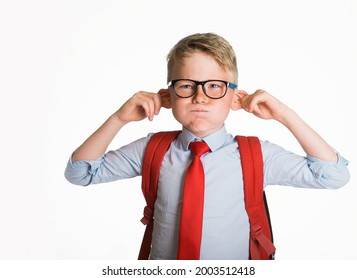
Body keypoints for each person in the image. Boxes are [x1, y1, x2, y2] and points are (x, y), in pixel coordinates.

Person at [64, 33, 350, 260]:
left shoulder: (257, 155)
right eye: (187, 85)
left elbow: (333, 175)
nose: (200, 97)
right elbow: (80, 172)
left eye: (215, 86)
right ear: (168, 95)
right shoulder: (152, 149)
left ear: (235, 98)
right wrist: (118, 119)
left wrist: (285, 115)